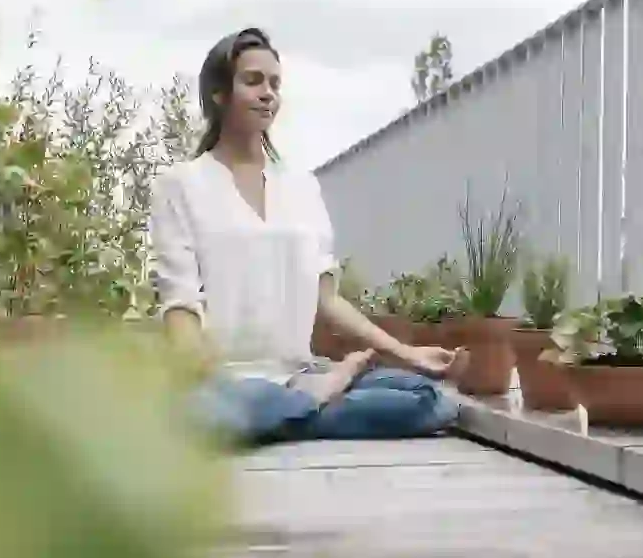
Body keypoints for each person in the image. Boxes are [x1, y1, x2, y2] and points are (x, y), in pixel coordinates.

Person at [150, 27, 461, 446]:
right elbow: (180, 306)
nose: (268, 93)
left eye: (275, 84)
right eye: (253, 81)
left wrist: (408, 354)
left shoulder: (301, 187)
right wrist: (206, 376)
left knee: (431, 399)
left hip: (298, 371)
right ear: (220, 94)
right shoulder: (181, 185)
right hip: (225, 382)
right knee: (199, 416)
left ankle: (299, 403)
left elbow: (327, 299)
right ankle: (316, 399)